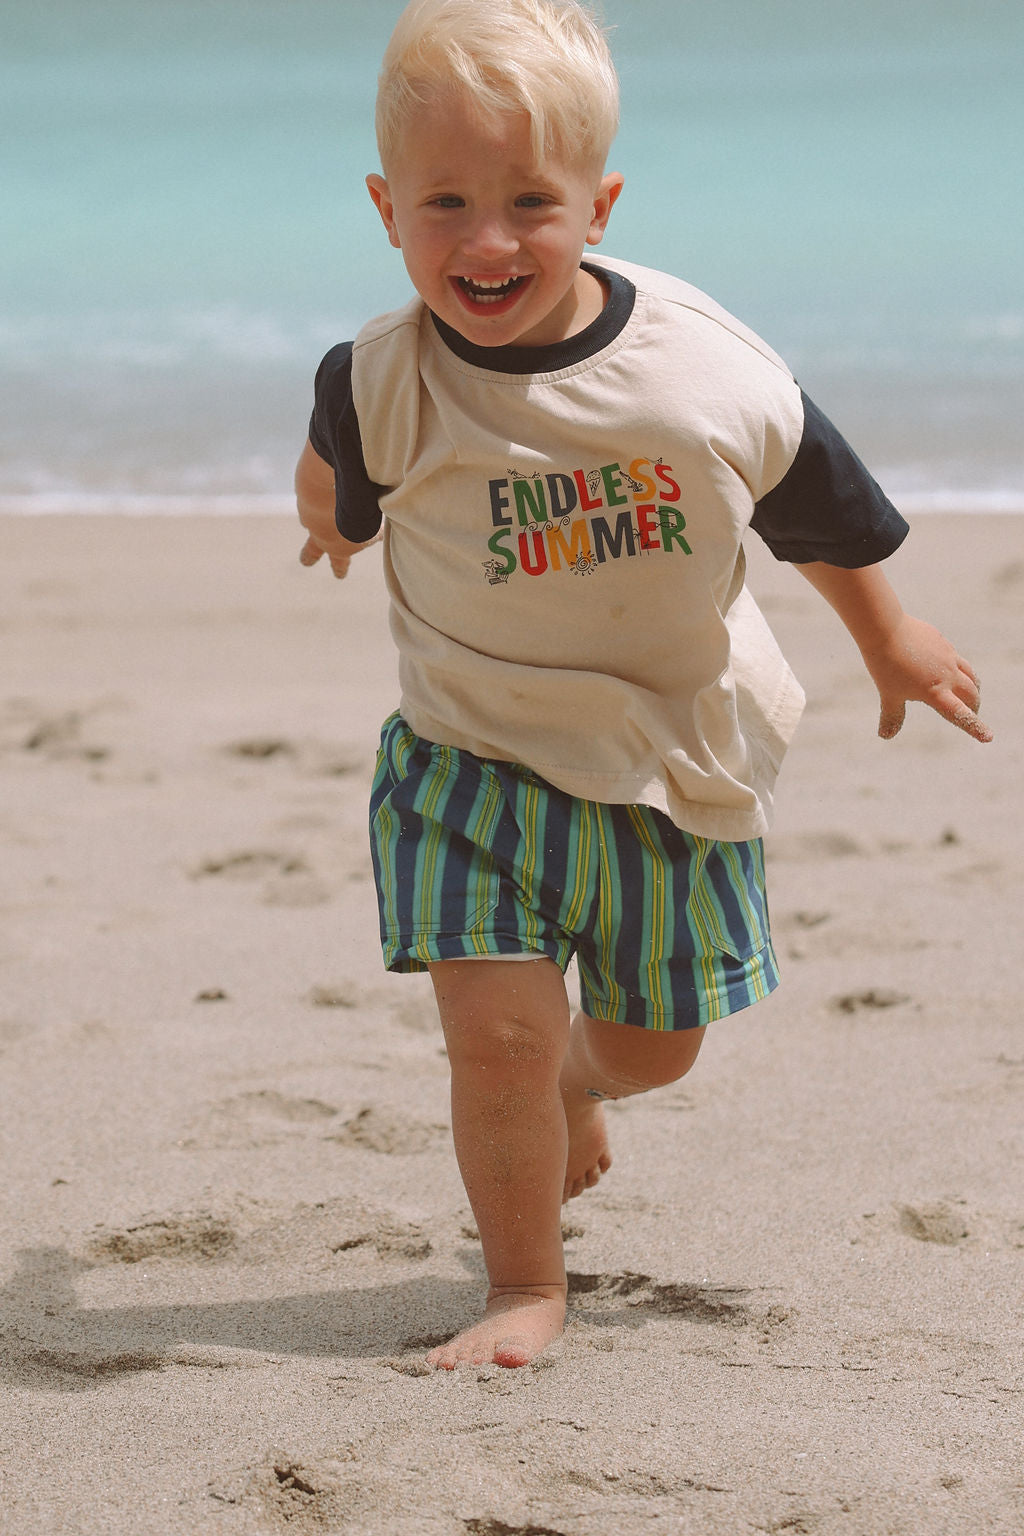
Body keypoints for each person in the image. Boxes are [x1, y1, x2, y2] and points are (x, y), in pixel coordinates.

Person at [294, 0, 991, 1371]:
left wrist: (890, 636)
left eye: (530, 203)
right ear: (386, 211)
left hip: (672, 762)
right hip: (468, 756)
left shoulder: (697, 371)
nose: (488, 242)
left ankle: (581, 1080)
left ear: (599, 205)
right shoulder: (377, 378)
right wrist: (330, 520)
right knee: (494, 1033)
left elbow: (815, 509)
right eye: (446, 203)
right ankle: (523, 1286)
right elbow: (336, 467)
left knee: (655, 1045)